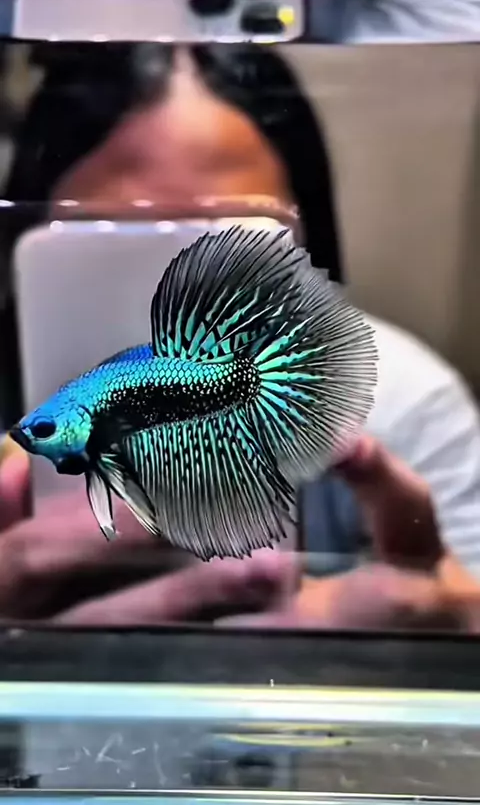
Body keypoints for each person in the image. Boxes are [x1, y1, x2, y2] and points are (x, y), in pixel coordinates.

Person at [0, 42, 480, 626]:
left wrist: (445, 629)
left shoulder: (402, 404)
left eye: (236, 249)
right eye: (115, 252)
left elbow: (459, 605)